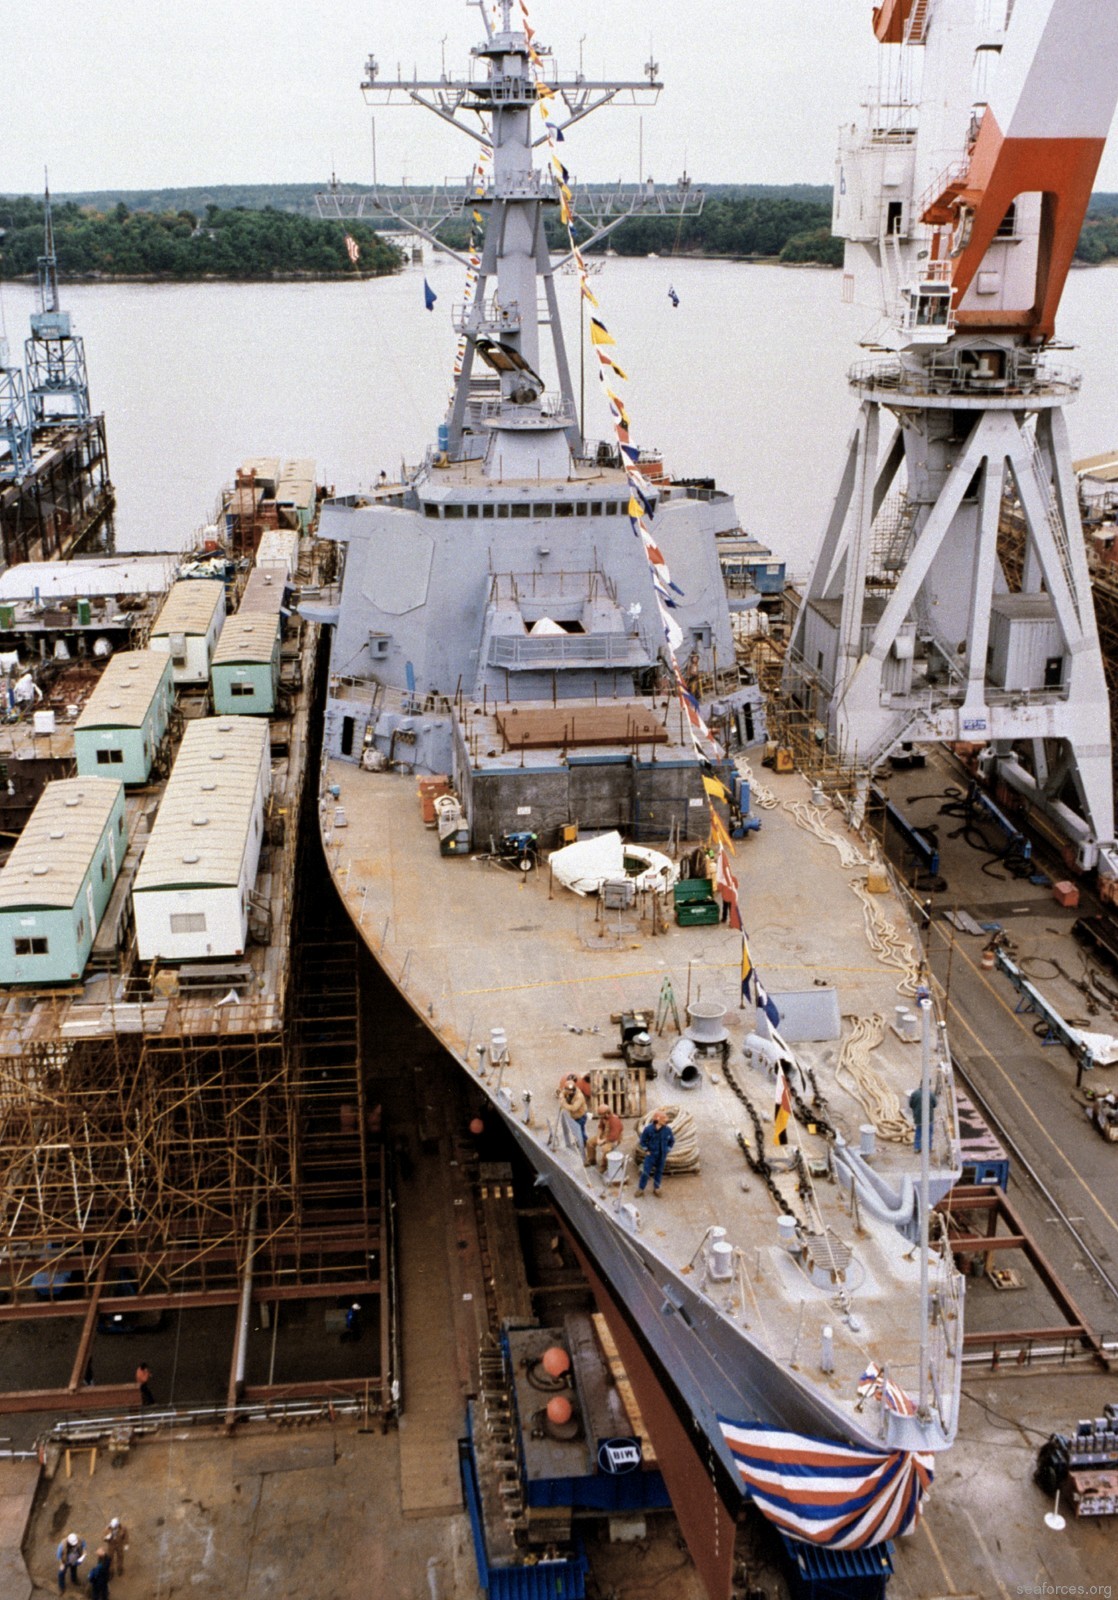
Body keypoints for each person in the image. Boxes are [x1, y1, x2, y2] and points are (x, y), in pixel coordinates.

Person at [637, 1108, 675, 1197]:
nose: (666, 1121)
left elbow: (672, 1141)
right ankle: (641, 1189)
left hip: (662, 1156)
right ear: (657, 1119)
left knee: (659, 1172)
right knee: (645, 1172)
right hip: (651, 1155)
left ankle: (656, 1188)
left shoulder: (667, 1130)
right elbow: (642, 1141)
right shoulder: (648, 1129)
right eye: (664, 1120)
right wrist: (646, 1150)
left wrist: (667, 1150)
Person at [586, 1103, 624, 1172]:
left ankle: (604, 1166)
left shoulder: (614, 1120)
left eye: (601, 1115)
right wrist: (598, 1138)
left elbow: (613, 1136)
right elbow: (600, 1127)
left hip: (614, 1139)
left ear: (607, 1113)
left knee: (605, 1149)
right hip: (605, 1135)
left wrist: (602, 1141)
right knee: (590, 1142)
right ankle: (591, 1160)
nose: (600, 1116)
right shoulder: (603, 1118)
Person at [557, 1075, 588, 1146]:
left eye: (569, 1091)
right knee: (576, 1130)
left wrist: (563, 1103)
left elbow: (573, 1108)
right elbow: (562, 1093)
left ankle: (583, 1142)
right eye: (567, 1090)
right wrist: (562, 1096)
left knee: (579, 1130)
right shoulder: (568, 1090)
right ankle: (580, 1140)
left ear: (573, 1090)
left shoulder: (579, 1097)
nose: (567, 1092)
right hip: (574, 1116)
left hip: (580, 1116)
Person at [908, 1085, 938, 1153]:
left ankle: (917, 1147)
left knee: (918, 1132)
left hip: (918, 1117)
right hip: (929, 1118)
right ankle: (928, 1148)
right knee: (929, 1133)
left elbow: (910, 1105)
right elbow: (935, 1105)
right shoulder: (931, 1094)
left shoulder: (914, 1094)